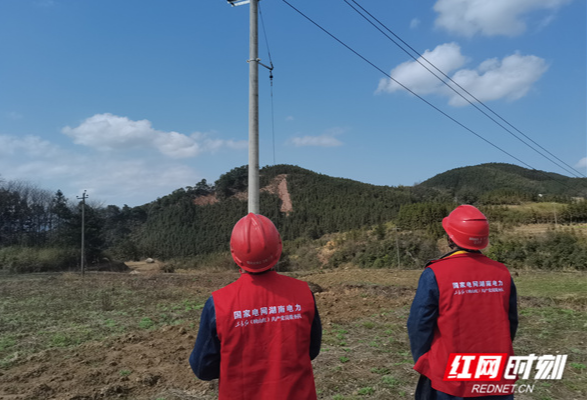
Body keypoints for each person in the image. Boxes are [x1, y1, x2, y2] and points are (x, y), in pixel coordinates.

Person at [189, 213, 322, 400]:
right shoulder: (303, 293)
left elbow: (203, 368)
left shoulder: (218, 303)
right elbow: (311, 350)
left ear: (234, 252)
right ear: (278, 247)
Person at [407, 205, 518, 400]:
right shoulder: (502, 273)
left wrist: (424, 359)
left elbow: (419, 324)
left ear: (450, 238)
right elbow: (511, 322)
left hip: (450, 377)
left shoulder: (436, 273)